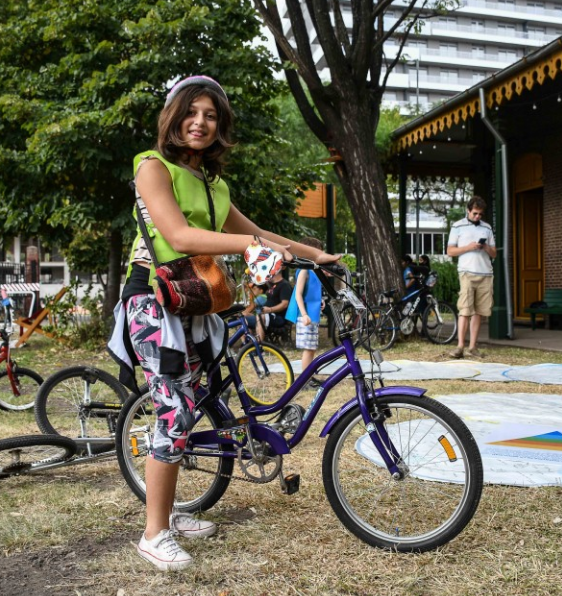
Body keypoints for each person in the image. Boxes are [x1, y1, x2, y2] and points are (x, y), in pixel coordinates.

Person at [108, 76, 339, 572]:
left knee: (198, 404)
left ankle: (168, 512)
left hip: (195, 300)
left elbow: (255, 232)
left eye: (211, 115)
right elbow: (179, 235)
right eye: (191, 113)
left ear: (220, 125)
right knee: (173, 412)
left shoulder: (214, 184)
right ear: (173, 117)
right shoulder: (153, 167)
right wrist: (249, 248)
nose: (200, 123)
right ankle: (154, 533)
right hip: (153, 298)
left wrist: (313, 254)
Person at [446, 196, 496, 358]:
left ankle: (473, 346)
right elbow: (450, 251)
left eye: (480, 214)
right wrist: (469, 247)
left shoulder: (487, 228)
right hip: (467, 272)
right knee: (465, 310)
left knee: (479, 312)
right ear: (468, 211)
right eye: (475, 213)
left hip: (485, 273)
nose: (477, 217)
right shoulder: (458, 226)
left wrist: (485, 246)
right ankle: (460, 346)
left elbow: (494, 253)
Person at [285, 236, 324, 377]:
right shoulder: (303, 270)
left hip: (312, 314)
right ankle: (305, 379)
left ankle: (309, 377)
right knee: (308, 349)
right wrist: (304, 314)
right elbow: (298, 294)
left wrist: (321, 301)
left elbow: (312, 292)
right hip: (305, 316)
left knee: (311, 348)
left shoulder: (312, 270)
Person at [257, 267, 292, 343]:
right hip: (267, 315)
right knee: (244, 319)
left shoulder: (284, 285)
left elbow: (285, 304)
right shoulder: (271, 285)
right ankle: (246, 344)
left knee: (260, 316)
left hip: (278, 318)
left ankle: (259, 346)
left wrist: (269, 310)